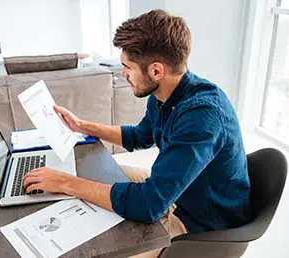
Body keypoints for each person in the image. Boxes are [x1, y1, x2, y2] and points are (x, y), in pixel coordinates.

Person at [23, 9, 251, 257]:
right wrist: (82, 126)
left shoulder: (201, 117)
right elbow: (139, 136)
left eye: (127, 67)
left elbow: (149, 205)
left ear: (156, 71)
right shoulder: (165, 93)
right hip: (176, 192)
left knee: (96, 235)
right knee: (92, 174)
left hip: (201, 224)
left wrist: (66, 183)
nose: (123, 74)